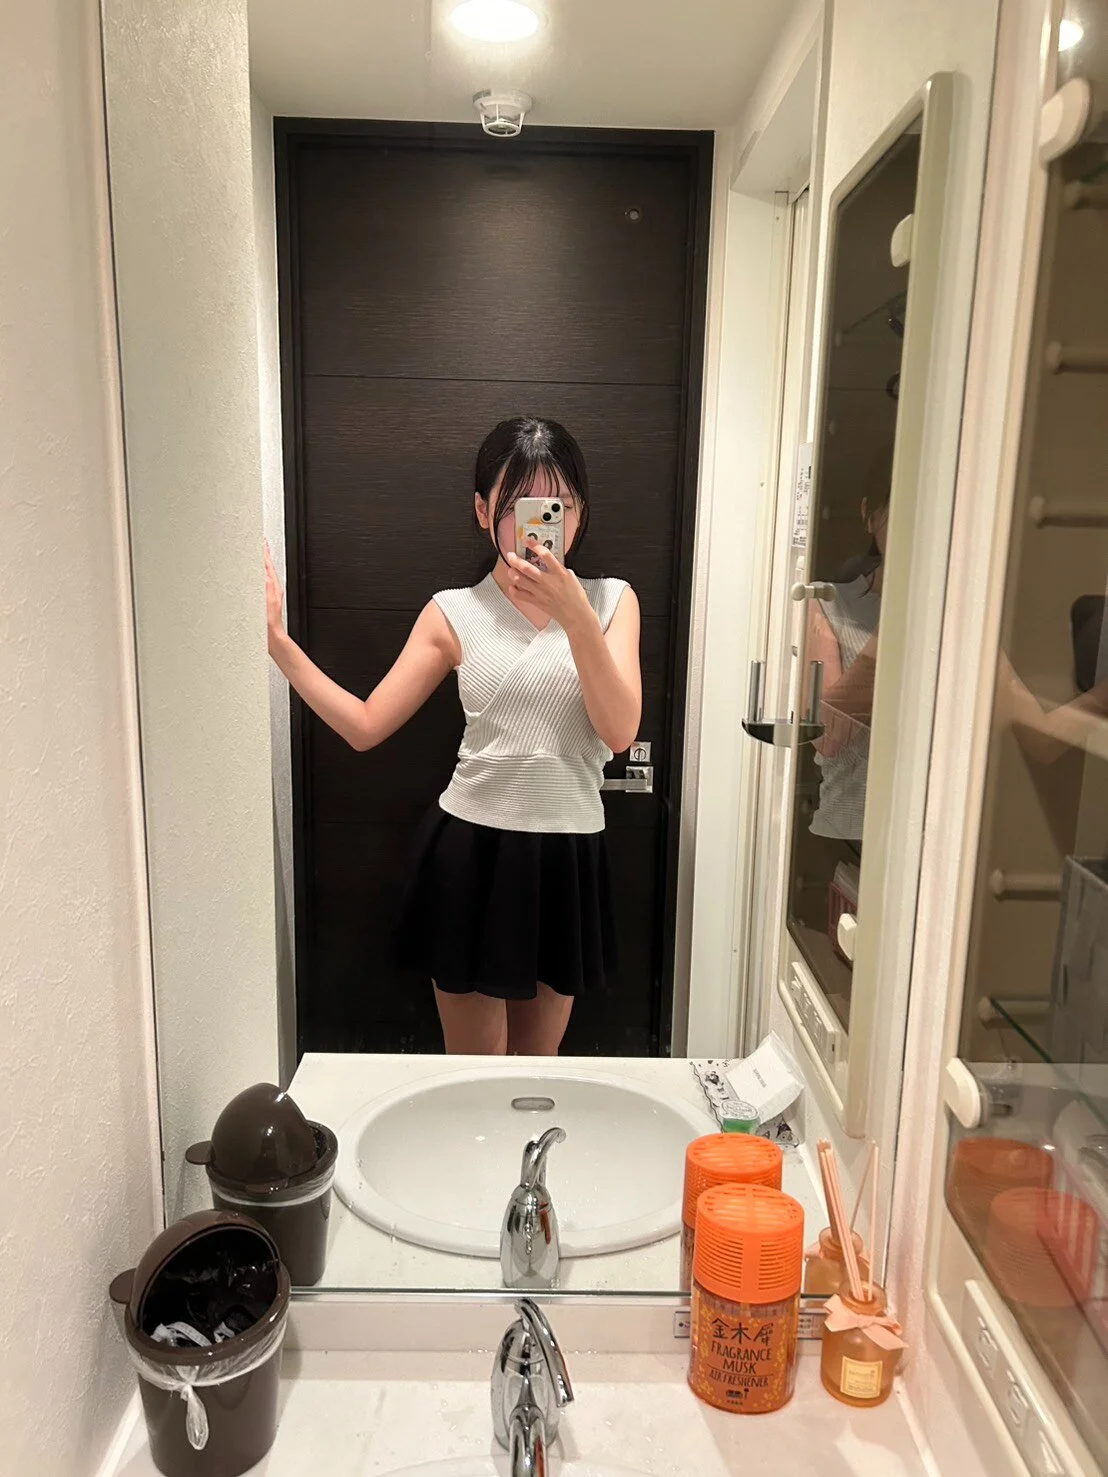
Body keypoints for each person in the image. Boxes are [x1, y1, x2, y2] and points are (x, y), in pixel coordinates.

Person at [265, 417, 642, 1057]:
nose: (541, 523)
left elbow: (620, 732)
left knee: (537, 1072)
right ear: (482, 510)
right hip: (473, 854)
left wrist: (576, 616)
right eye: (518, 505)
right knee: (474, 1072)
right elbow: (365, 726)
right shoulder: (454, 611)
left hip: (567, 857)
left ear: (580, 512)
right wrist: (278, 644)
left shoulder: (612, 603)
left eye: (560, 505)